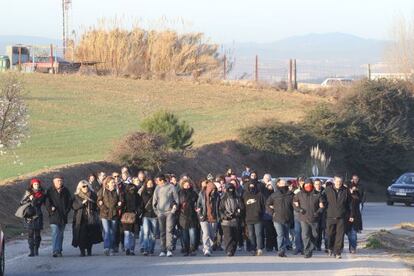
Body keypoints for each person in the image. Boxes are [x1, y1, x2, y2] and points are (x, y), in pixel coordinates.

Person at [293, 179, 325, 258]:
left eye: (310, 184)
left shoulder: (318, 194)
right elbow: (294, 204)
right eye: (306, 185)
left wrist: (318, 212)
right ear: (304, 185)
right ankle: (307, 251)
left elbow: (322, 206)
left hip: (315, 218)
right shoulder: (299, 194)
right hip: (304, 218)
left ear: (312, 185)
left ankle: (311, 247)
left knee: (315, 235)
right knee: (305, 235)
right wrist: (299, 209)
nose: (308, 186)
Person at [72, 180, 102, 256]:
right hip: (80, 218)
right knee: (81, 236)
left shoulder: (93, 195)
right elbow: (74, 206)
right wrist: (82, 203)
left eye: (87, 186)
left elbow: (97, 205)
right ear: (80, 187)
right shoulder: (76, 196)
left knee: (90, 235)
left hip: (91, 218)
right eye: (83, 186)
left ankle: (89, 251)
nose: (85, 188)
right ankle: (82, 251)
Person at [325, 176, 353, 259]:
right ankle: (330, 247)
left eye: (340, 181)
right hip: (330, 216)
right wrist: (322, 204)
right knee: (330, 234)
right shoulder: (327, 190)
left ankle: (337, 252)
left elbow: (350, 204)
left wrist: (351, 215)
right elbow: (322, 199)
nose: (339, 183)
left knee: (340, 235)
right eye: (337, 181)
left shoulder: (346, 190)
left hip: (342, 216)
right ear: (334, 181)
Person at [266, 179, 294, 257]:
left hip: (288, 218)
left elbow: (294, 205)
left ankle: (283, 249)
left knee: (285, 235)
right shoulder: (274, 195)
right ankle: (281, 250)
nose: (284, 184)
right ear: (278, 184)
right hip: (277, 218)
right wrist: (272, 212)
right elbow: (267, 204)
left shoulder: (291, 194)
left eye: (285, 183)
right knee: (280, 235)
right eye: (282, 183)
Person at [152, 174, 179, 257]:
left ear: (162, 180)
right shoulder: (157, 188)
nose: (157, 182)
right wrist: (157, 212)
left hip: (169, 212)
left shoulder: (171, 187)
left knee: (169, 230)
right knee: (162, 232)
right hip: (160, 213)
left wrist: (173, 210)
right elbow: (154, 201)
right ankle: (162, 250)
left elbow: (176, 199)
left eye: (158, 180)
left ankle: (169, 249)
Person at [46, 174, 72, 257]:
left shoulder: (66, 190)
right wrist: (50, 209)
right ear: (54, 182)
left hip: (63, 216)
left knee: (61, 234)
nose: (59, 182)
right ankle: (55, 250)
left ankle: (59, 250)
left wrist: (66, 211)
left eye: (61, 180)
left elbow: (69, 202)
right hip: (54, 215)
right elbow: (47, 202)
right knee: (55, 232)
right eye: (57, 181)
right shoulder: (49, 191)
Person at [20, 178, 46, 257]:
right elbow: (21, 202)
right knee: (30, 234)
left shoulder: (42, 193)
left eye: (37, 184)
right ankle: (31, 250)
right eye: (35, 184)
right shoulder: (28, 193)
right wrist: (28, 198)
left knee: (37, 234)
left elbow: (37, 203)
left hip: (38, 215)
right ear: (32, 185)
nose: (36, 186)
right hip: (29, 215)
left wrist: (33, 199)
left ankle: (36, 249)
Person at [97, 176, 122, 256]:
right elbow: (99, 202)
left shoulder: (117, 191)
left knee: (113, 232)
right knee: (107, 231)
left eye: (114, 182)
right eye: (112, 182)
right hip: (104, 214)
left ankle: (112, 247)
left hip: (114, 214)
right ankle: (107, 248)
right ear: (107, 183)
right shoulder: (103, 191)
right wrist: (104, 209)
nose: (114, 183)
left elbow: (121, 201)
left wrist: (118, 206)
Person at [219, 183, 244, 257]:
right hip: (226, 221)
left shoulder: (238, 198)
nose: (230, 190)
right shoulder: (223, 199)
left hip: (235, 220)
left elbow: (242, 208)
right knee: (228, 236)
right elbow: (220, 209)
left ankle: (233, 249)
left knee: (235, 236)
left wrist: (237, 213)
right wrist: (224, 215)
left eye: (232, 189)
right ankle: (229, 250)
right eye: (229, 189)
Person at [197, 180, 220, 256]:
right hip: (204, 217)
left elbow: (219, 206)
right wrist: (200, 214)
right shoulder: (202, 194)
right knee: (206, 233)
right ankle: (206, 249)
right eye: (212, 189)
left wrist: (218, 216)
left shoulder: (217, 196)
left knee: (212, 234)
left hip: (213, 217)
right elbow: (198, 205)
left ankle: (209, 247)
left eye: (214, 189)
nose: (213, 191)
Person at [243, 180, 266, 256]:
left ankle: (259, 248)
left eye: (253, 186)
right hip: (248, 218)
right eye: (250, 186)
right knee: (251, 234)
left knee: (258, 234)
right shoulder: (245, 195)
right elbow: (243, 206)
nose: (251, 187)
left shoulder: (260, 195)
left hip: (258, 218)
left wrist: (261, 214)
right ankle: (253, 248)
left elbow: (264, 205)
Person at [121, 179, 142, 255]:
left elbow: (141, 205)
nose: (132, 190)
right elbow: (121, 205)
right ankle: (128, 249)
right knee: (128, 233)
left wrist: (138, 212)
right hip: (127, 216)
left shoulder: (137, 196)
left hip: (133, 216)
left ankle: (130, 249)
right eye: (130, 188)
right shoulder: (124, 195)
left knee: (131, 234)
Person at [178, 179, 199, 256]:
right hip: (183, 216)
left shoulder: (194, 193)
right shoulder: (180, 193)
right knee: (185, 235)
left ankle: (192, 249)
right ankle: (186, 249)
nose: (187, 186)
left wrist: (197, 208)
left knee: (193, 234)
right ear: (182, 185)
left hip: (192, 215)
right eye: (186, 184)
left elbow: (198, 203)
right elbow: (178, 204)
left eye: (188, 184)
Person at [141, 179, 158, 256]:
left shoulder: (156, 192)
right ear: (146, 184)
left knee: (153, 234)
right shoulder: (143, 192)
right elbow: (142, 202)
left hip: (154, 215)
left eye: (151, 183)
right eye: (148, 183)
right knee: (146, 232)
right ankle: (146, 249)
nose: (150, 184)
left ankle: (151, 249)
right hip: (146, 215)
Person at [347, 181, 363, 254]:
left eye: (354, 187)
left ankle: (353, 247)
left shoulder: (356, 196)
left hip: (355, 217)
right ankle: (351, 246)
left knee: (353, 233)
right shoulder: (346, 195)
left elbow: (358, 204)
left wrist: (354, 192)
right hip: (346, 217)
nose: (352, 189)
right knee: (349, 233)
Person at [262, 180, 277, 252]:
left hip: (276, 215)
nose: (269, 186)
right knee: (268, 232)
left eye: (271, 185)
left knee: (275, 231)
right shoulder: (264, 194)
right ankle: (269, 246)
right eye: (268, 185)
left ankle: (277, 246)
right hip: (266, 215)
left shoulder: (276, 193)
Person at [314, 179, 327, 252]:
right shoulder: (312, 192)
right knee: (316, 231)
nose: (317, 185)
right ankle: (317, 245)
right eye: (316, 184)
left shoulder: (325, 192)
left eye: (319, 184)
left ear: (321, 184)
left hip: (324, 214)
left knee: (324, 231)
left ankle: (326, 246)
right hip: (315, 214)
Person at [292, 177, 305, 255]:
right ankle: (298, 247)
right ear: (299, 183)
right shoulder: (296, 191)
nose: (302, 183)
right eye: (301, 182)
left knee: (305, 232)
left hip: (306, 214)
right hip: (297, 214)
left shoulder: (309, 191)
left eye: (303, 182)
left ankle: (304, 247)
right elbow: (294, 203)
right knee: (297, 232)